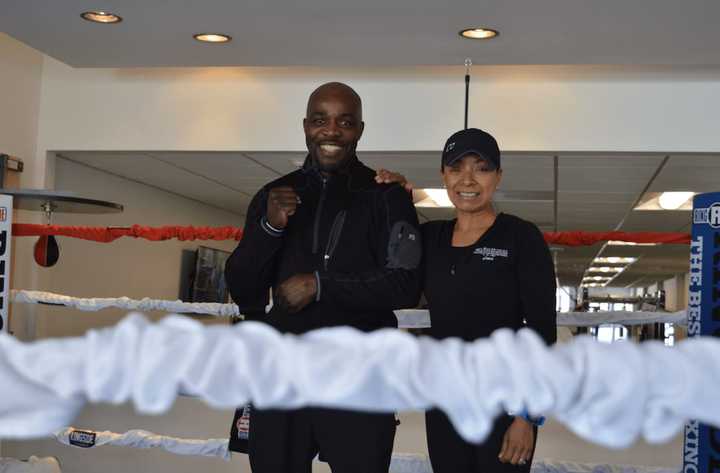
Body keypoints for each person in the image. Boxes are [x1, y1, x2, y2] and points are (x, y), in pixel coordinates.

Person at [225, 82, 423, 473]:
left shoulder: (387, 195)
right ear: (305, 126)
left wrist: (320, 284)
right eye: (320, 120)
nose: (331, 131)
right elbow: (244, 288)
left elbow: (406, 284)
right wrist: (269, 228)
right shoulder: (272, 195)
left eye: (345, 122)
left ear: (360, 130)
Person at [376, 128, 557, 473]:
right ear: (443, 175)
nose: (468, 179)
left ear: (498, 177)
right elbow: (390, 266)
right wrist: (396, 197)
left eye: (482, 168)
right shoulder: (430, 237)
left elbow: (541, 332)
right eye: (457, 168)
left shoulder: (521, 237)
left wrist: (526, 417)